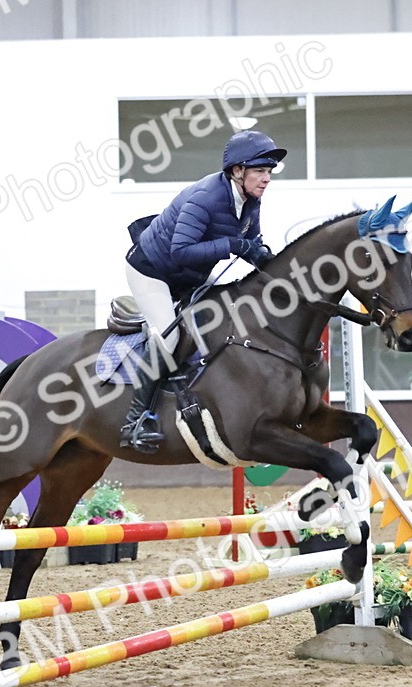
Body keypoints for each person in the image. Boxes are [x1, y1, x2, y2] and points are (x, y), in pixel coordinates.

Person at [120, 129, 287, 452]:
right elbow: (181, 251)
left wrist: (274, 268)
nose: (266, 179)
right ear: (237, 171)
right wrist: (231, 245)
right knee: (168, 338)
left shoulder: (250, 199)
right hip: (152, 271)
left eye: (269, 172)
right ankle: (134, 422)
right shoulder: (205, 197)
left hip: (188, 276)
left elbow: (251, 244)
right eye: (260, 172)